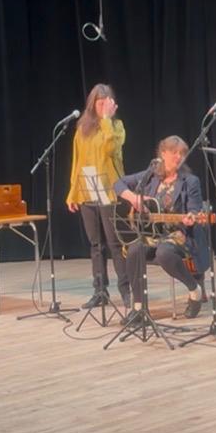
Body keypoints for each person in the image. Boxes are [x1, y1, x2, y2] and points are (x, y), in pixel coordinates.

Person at [114, 136, 208, 325]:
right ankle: (139, 308)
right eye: (174, 153)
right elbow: (118, 184)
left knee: (164, 253)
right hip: (153, 233)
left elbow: (195, 209)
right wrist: (134, 198)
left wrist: (191, 217)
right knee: (134, 250)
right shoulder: (151, 175)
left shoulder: (190, 181)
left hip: (178, 234)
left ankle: (194, 290)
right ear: (163, 153)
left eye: (182, 153)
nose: (179, 157)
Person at [66, 83, 130, 309]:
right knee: (96, 244)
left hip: (110, 192)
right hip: (88, 191)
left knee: (115, 243)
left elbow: (110, 150)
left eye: (106, 103)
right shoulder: (82, 128)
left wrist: (106, 120)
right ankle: (100, 291)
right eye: (99, 103)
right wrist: (72, 192)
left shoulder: (116, 126)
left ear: (112, 105)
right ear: (92, 104)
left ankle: (126, 290)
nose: (102, 107)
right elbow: (77, 162)